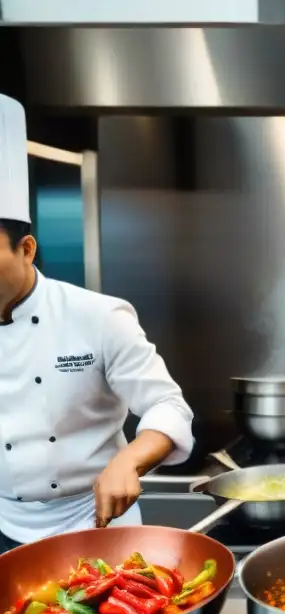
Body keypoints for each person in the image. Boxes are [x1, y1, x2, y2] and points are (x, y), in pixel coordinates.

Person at [0, 94, 194, 552]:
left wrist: (129, 460)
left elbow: (170, 407)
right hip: (5, 525)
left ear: (26, 249)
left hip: (97, 521)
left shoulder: (99, 315)